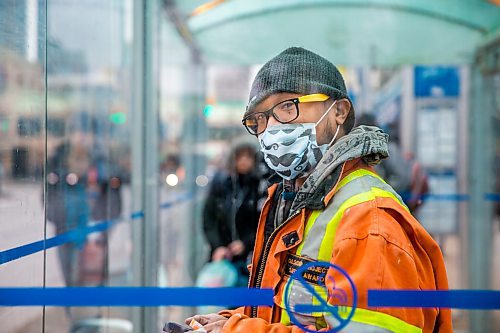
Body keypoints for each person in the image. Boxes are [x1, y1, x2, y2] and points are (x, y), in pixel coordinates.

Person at [186, 47, 452, 332]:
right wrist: (232, 321)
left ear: (339, 111)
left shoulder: (369, 219)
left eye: (288, 106)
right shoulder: (299, 201)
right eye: (260, 119)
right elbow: (292, 309)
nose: (270, 129)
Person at [202, 142, 265, 286]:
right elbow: (209, 219)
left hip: (250, 258)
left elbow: (264, 222)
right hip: (221, 256)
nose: (243, 161)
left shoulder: (260, 187)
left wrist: (246, 243)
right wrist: (218, 246)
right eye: (239, 157)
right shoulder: (221, 185)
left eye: (248, 157)